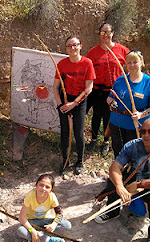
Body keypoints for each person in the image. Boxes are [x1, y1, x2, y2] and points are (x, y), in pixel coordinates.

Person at [94, 118, 150, 242]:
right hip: (134, 178)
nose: (146, 135)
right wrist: (120, 187)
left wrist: (140, 185)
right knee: (113, 180)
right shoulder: (132, 145)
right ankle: (113, 211)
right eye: (143, 131)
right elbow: (115, 167)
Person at [53, 35, 95, 175]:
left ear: (80, 46)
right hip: (65, 101)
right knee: (65, 132)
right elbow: (55, 87)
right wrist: (60, 105)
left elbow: (88, 88)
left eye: (75, 45)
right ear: (66, 48)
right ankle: (65, 161)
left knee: (78, 132)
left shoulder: (87, 63)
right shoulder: (62, 64)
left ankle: (80, 162)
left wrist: (74, 104)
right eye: (69, 46)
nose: (73, 48)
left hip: (80, 101)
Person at [107, 50, 150, 157]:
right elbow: (109, 98)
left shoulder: (149, 82)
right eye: (129, 63)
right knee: (118, 152)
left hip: (137, 125)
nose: (132, 65)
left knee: (136, 153)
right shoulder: (121, 80)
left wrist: (141, 114)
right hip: (117, 122)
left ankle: (134, 173)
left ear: (141, 62)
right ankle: (120, 172)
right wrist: (111, 102)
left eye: (135, 62)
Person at [86, 23, 130, 156]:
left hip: (113, 90)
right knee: (96, 115)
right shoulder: (93, 52)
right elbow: (88, 70)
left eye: (108, 32)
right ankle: (93, 139)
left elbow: (132, 65)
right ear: (99, 34)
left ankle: (106, 141)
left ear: (112, 33)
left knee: (108, 116)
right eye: (102, 32)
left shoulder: (122, 50)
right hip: (97, 89)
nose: (105, 35)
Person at [17, 174, 72, 242]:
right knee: (20, 230)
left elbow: (59, 213)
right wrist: (32, 231)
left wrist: (54, 224)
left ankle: (36, 239)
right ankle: (48, 240)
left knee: (67, 225)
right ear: (36, 185)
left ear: (51, 190)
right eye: (41, 185)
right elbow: (22, 218)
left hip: (45, 221)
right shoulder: (30, 196)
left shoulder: (52, 197)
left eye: (47, 187)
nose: (43, 188)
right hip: (31, 222)